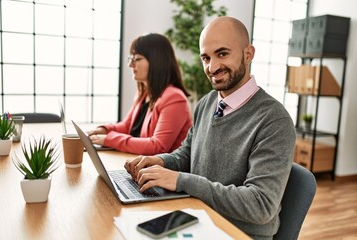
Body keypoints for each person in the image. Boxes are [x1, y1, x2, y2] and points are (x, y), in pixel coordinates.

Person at [124, 17, 296, 239]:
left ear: (248, 54)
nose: (212, 67)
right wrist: (161, 161)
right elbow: (187, 153)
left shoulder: (274, 120)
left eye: (222, 54)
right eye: (206, 58)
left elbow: (261, 206)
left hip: (237, 233)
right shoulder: (207, 103)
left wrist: (180, 180)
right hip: (197, 217)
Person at [88, 33, 192, 155]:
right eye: (130, 58)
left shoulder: (174, 98)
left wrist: (109, 139)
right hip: (140, 164)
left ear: (156, 61)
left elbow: (158, 146)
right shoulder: (143, 93)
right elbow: (127, 126)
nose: (130, 65)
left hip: (163, 171)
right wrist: (103, 130)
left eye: (136, 59)